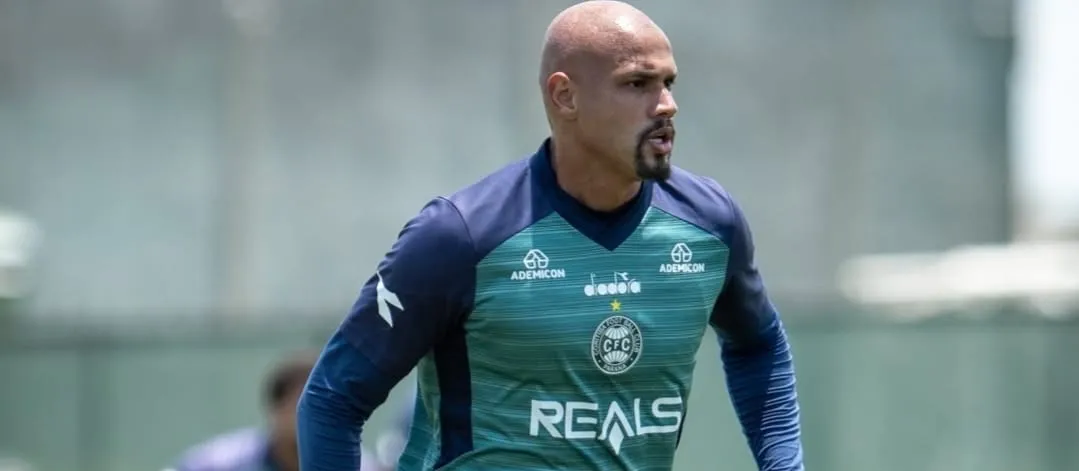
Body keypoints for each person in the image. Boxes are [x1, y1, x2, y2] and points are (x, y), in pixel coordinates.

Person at [296, 1, 804, 470]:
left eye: (669, 82)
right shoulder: (460, 235)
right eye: (637, 84)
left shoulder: (710, 224)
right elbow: (333, 400)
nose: (667, 104)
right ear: (565, 96)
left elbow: (758, 344)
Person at [170, 352, 390, 471]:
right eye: (302, 406)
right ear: (275, 408)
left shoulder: (358, 465)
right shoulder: (218, 463)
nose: (317, 418)